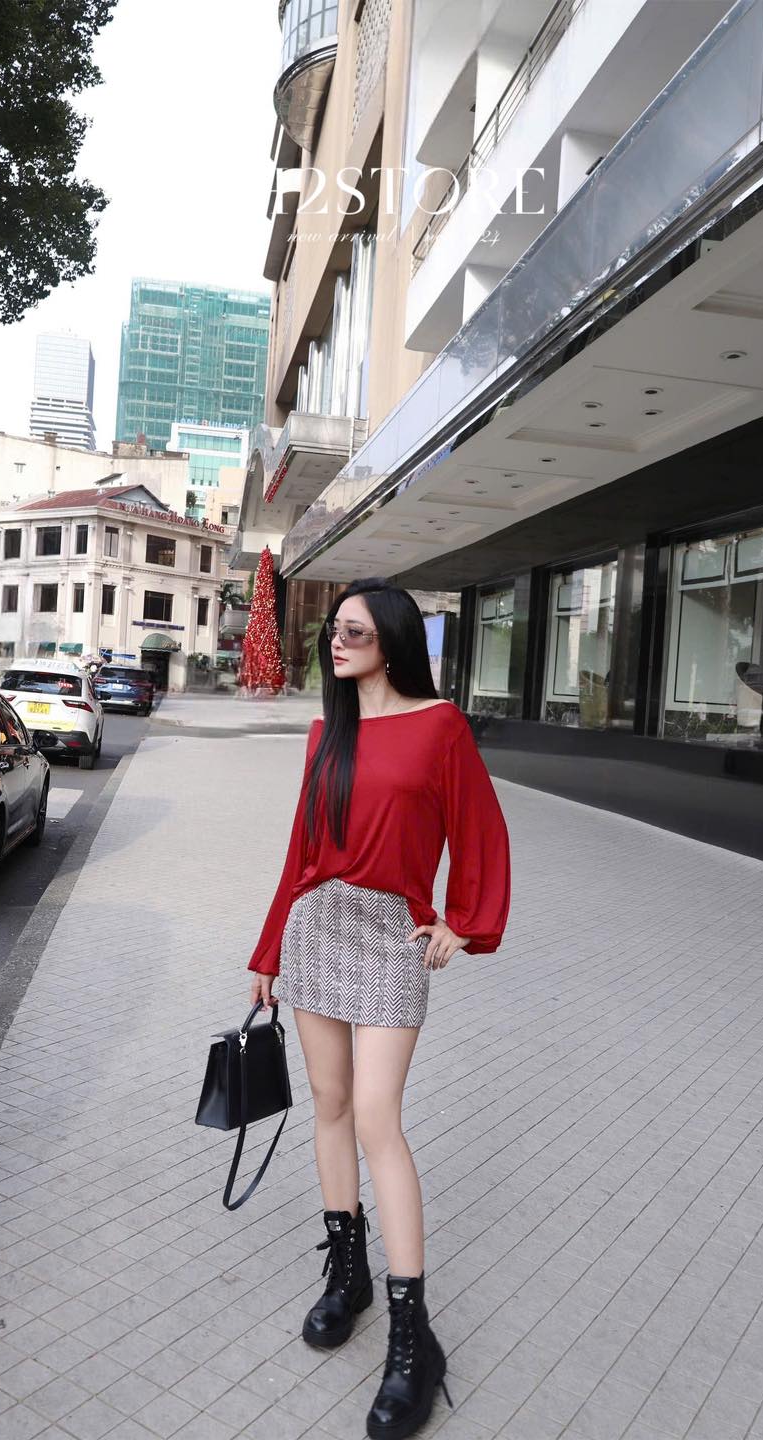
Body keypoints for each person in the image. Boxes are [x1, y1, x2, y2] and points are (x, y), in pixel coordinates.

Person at [247, 578, 511, 1440]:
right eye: (334, 629)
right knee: (328, 1104)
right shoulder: (327, 732)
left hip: (392, 934)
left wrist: (464, 921)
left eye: (354, 630)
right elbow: (300, 850)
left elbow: (480, 828)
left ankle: (411, 1335)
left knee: (375, 1118)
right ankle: (347, 1273)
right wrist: (268, 949)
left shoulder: (440, 726)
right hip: (317, 926)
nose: (336, 640)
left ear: (392, 641)